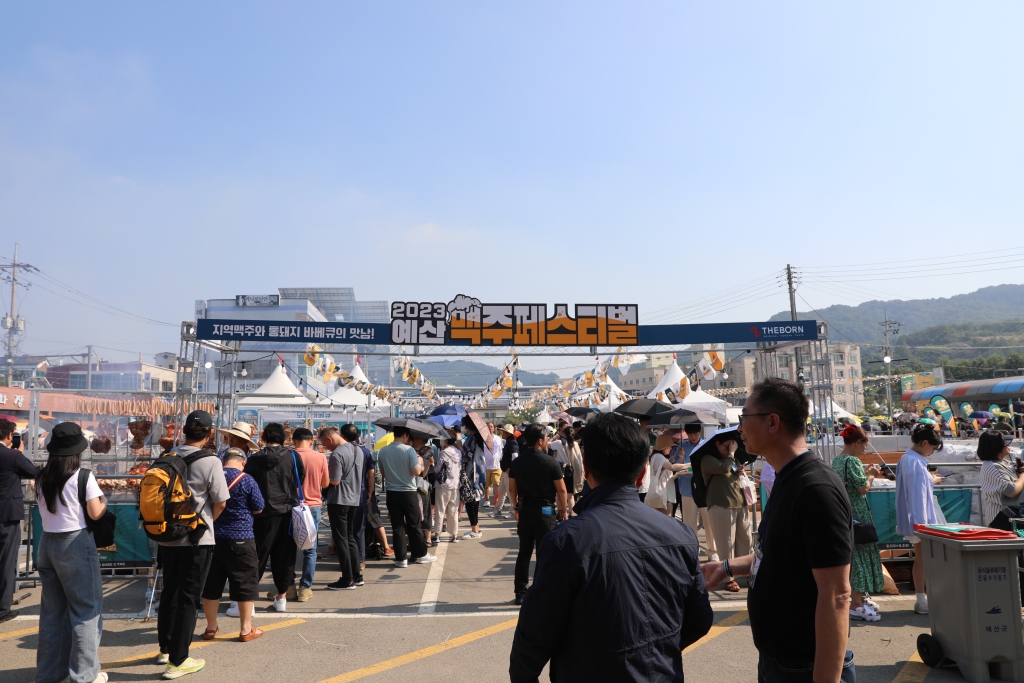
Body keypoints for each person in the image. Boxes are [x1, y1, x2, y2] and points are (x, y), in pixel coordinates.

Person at [509, 412, 713, 682]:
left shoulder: (566, 541)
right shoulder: (682, 534)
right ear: (642, 473)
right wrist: (657, 649)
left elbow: (534, 636)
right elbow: (699, 620)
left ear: (588, 468)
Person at [704, 378, 855, 683]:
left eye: (744, 418)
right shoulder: (788, 479)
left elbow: (837, 594)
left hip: (804, 666)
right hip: (780, 660)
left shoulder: (815, 489)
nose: (740, 429)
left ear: (772, 422)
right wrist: (727, 566)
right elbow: (779, 553)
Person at [34, 423, 108, 683]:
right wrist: (104, 499)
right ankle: (85, 676)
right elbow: (95, 513)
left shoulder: (42, 476)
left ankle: (50, 675)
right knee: (86, 611)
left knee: (53, 613)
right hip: (75, 543)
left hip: (47, 544)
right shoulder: (83, 476)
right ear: (77, 451)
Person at [158, 410, 229, 679]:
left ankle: (165, 648)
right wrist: (205, 521)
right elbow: (220, 501)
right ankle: (179, 660)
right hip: (198, 539)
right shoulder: (211, 461)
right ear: (209, 434)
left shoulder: (167, 457)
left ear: (183, 431)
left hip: (168, 536)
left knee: (170, 591)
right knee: (188, 598)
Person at [201, 448, 264, 642]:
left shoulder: (212, 477)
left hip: (212, 538)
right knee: (245, 583)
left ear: (224, 461)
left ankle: (211, 628)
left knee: (211, 585)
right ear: (243, 462)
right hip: (241, 538)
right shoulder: (246, 480)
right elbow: (259, 507)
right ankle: (246, 629)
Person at [244, 422, 304, 611]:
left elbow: (247, 485)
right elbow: (299, 479)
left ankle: (249, 601)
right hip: (287, 513)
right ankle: (282, 598)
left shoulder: (254, 460)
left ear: (263, 438)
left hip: (260, 514)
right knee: (285, 557)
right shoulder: (293, 457)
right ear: (283, 437)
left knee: (257, 557)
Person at [507, 424, 568, 605]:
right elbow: (562, 490)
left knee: (524, 552)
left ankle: (520, 592)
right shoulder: (551, 462)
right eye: (547, 438)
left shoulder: (517, 462)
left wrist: (516, 507)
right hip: (546, 512)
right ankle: (542, 590)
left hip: (525, 511)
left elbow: (512, 489)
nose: (548, 440)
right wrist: (564, 510)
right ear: (540, 440)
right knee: (545, 552)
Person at [831, 425, 885, 622]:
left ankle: (859, 599)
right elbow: (863, 488)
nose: (865, 449)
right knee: (861, 556)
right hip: (858, 514)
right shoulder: (852, 461)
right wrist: (871, 474)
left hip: (845, 513)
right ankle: (857, 603)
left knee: (854, 556)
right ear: (856, 443)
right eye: (864, 444)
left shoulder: (836, 461)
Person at [895, 423, 945, 615]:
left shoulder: (908, 459)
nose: (932, 452)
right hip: (922, 518)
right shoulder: (915, 462)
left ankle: (922, 599)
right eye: (932, 448)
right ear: (925, 443)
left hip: (918, 518)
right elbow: (917, 495)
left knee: (921, 559)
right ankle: (924, 599)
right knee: (925, 559)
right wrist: (922, 525)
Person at [700, 429, 752, 592]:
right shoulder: (707, 460)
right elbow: (723, 469)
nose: (730, 448)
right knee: (726, 543)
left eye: (732, 445)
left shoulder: (732, 459)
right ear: (717, 444)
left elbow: (731, 470)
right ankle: (729, 578)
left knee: (746, 539)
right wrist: (731, 455)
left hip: (740, 502)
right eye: (727, 445)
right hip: (721, 504)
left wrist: (739, 471)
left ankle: (748, 572)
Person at [377, 427, 436, 567]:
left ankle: (401, 559)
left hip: (391, 493)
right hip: (408, 492)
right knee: (414, 524)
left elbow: (383, 474)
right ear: (404, 435)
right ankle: (421, 554)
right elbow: (416, 472)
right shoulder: (409, 450)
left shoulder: (383, 451)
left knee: (397, 527)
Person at [0, 418, 37, 624]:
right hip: (7, 515)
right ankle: (3, 608)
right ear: (8, 436)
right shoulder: (12, 455)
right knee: (6, 562)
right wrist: (20, 452)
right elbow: (33, 471)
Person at [319, 424, 364, 589]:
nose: (325, 447)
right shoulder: (357, 450)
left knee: (341, 539)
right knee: (350, 537)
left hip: (339, 500)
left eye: (325, 444)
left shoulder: (337, 453)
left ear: (329, 439)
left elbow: (335, 481)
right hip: (354, 499)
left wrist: (322, 480)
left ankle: (347, 578)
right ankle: (357, 575)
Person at [292, 427, 329, 601]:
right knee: (310, 550)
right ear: (312, 441)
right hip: (313, 507)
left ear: (293, 441)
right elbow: (326, 483)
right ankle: (305, 588)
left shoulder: (288, 456)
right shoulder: (320, 457)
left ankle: (288, 586)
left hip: (292, 506)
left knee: (288, 548)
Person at [979, 430, 1023, 528]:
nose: (1009, 445)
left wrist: (1019, 472)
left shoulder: (1005, 463)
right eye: (1006, 443)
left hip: (1014, 511)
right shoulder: (991, 466)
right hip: (1002, 515)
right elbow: (1012, 491)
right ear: (995, 446)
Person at [459, 417, 488, 539]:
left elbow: (467, 454)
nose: (463, 427)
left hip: (472, 473)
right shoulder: (478, 437)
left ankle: (474, 530)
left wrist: (459, 446)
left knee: (471, 500)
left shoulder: (472, 437)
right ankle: (476, 528)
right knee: (474, 500)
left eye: (464, 425)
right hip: (478, 472)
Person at [647, 434, 688, 516]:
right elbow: (672, 467)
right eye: (669, 446)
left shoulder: (659, 457)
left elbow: (668, 479)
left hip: (664, 497)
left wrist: (678, 474)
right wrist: (689, 464)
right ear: (663, 446)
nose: (671, 448)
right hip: (663, 498)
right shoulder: (658, 456)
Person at [433, 430, 462, 543]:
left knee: (440, 510)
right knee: (453, 510)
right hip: (455, 485)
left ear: (445, 441)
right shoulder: (458, 452)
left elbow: (437, 469)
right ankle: (454, 535)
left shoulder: (443, 453)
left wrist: (433, 464)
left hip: (442, 485)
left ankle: (437, 535)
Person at [411, 434, 436, 546]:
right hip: (411, 486)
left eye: (417, 438)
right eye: (414, 438)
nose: (415, 441)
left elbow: (424, 474)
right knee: (413, 514)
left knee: (425, 512)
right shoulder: (409, 451)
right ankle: (413, 538)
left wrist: (429, 464)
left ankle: (428, 538)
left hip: (422, 486)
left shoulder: (427, 451)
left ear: (423, 439)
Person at [494, 424, 519, 518]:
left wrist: (512, 469)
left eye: (504, 431)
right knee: (501, 491)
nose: (502, 433)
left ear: (508, 433)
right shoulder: (509, 442)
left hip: (509, 472)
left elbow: (515, 456)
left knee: (510, 492)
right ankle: (498, 510)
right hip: (505, 472)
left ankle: (513, 511)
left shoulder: (512, 442)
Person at [480, 422, 503, 510]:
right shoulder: (483, 439)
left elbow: (501, 450)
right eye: (488, 427)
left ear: (494, 428)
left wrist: (498, 458)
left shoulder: (498, 438)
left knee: (496, 484)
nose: (490, 428)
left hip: (496, 466)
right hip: (486, 465)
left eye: (491, 427)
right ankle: (487, 500)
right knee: (486, 485)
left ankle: (496, 501)